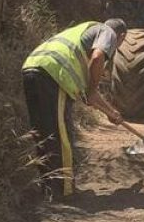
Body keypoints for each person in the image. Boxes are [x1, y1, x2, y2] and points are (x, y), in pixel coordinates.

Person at [21, 18, 128, 199]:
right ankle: (64, 191)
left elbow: (90, 97)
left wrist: (111, 112)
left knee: (42, 133)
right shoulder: (108, 32)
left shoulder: (83, 30)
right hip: (54, 75)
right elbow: (98, 57)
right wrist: (93, 90)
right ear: (122, 36)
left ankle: (48, 188)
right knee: (61, 135)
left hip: (32, 67)